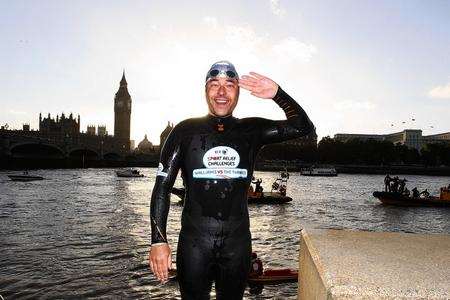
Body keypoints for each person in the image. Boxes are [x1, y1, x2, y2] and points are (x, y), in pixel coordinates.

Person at [149, 60, 314, 299]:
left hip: (237, 246)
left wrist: (278, 94)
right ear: (205, 90)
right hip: (194, 245)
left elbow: (303, 127)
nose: (222, 91)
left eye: (230, 84)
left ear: (238, 91)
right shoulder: (185, 132)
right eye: (214, 84)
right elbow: (162, 187)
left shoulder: (251, 130)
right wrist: (158, 241)